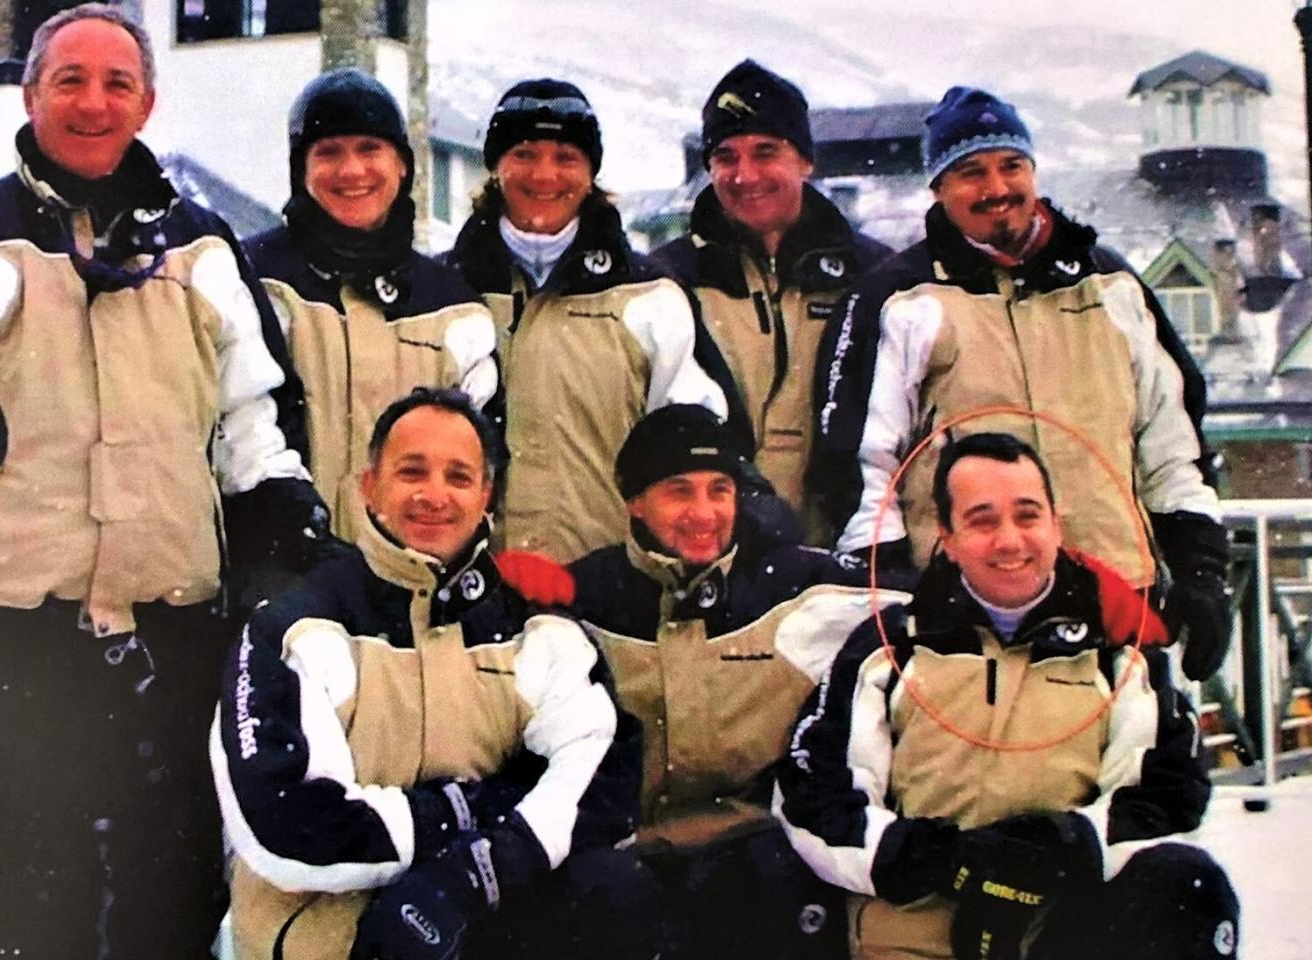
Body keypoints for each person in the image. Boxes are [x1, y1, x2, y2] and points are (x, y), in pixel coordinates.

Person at [0, 5, 322, 957]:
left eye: (116, 83)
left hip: (176, 618)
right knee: (43, 872)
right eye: (70, 81)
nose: (94, 103)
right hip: (23, 626)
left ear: (147, 100)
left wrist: (283, 567)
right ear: (31, 96)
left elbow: (256, 428)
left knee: (180, 875)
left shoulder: (202, 250)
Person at [213, 388, 657, 960]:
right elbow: (286, 825)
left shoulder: (531, 626)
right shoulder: (294, 627)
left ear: (486, 496)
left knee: (615, 893)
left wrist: (470, 875)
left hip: (471, 915)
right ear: (370, 488)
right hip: (324, 934)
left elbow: (602, 775)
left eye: (458, 476)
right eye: (411, 472)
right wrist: (464, 812)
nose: (434, 496)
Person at [812, 85, 1232, 681]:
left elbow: (1172, 448)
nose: (996, 188)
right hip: (969, 621)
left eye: (1011, 166)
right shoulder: (898, 298)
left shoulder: (1112, 286)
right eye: (969, 172)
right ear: (938, 188)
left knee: (1139, 770)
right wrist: (898, 592)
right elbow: (862, 467)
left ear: (1033, 170)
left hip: (1117, 610)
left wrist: (1201, 572)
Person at [776, 432, 1238, 960]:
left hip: (1061, 931)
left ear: (1055, 523)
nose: (1010, 541)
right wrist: (937, 858)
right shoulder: (889, 647)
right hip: (913, 935)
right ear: (946, 537)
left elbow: (1169, 792)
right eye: (982, 520)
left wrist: (1067, 845)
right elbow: (815, 793)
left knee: (1187, 885)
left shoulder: (1118, 650)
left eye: (1027, 515)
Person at [562, 404, 894, 960]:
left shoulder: (792, 584)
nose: (704, 512)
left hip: (749, 853)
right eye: (678, 491)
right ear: (634, 502)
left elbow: (923, 601)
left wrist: (1074, 584)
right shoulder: (584, 596)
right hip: (624, 855)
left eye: (720, 490)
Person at [444, 78, 727, 565]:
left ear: (592, 171)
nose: (545, 175)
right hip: (470, 587)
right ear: (496, 165)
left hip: (609, 590)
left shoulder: (649, 294)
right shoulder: (443, 290)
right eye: (525, 154)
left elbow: (697, 444)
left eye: (567, 158)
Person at [240, 68, 496, 559]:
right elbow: (236, 426)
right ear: (301, 169)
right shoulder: (254, 279)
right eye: (329, 152)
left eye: (369, 149)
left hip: (417, 577)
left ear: (402, 164)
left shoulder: (453, 303)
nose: (352, 171)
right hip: (280, 571)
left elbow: (480, 455)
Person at [654, 60, 891, 544]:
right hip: (713, 548)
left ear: (805, 160)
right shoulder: (668, 279)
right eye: (726, 156)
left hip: (848, 545)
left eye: (766, 152)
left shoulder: (876, 277)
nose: (745, 175)